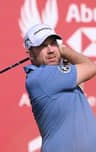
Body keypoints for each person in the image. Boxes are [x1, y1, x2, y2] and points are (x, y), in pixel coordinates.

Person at [23, 24, 96, 152]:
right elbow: (91, 67)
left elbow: (83, 79)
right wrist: (64, 50)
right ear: (30, 53)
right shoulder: (40, 77)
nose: (51, 50)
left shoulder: (60, 76)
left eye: (53, 44)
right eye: (43, 46)